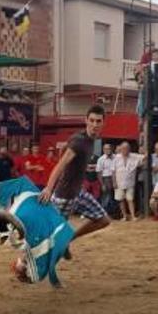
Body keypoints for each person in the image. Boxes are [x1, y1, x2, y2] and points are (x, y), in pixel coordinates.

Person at [39, 105, 111, 256]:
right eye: (92, 120)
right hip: (64, 196)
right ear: (86, 120)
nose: (95, 125)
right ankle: (23, 263)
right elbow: (60, 165)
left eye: (98, 121)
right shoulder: (79, 142)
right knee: (50, 237)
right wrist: (48, 188)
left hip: (78, 193)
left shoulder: (90, 141)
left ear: (103, 123)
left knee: (104, 220)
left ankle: (68, 239)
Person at [113, 142, 143, 221]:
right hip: (119, 181)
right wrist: (114, 182)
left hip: (130, 182)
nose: (125, 150)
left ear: (129, 149)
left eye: (127, 148)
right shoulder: (116, 157)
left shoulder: (134, 156)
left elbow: (144, 157)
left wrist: (143, 149)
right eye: (123, 148)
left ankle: (133, 216)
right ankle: (124, 216)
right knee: (121, 199)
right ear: (121, 149)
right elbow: (113, 171)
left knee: (130, 199)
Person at [95, 143, 116, 215]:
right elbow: (99, 172)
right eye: (105, 149)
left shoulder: (116, 157)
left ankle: (113, 213)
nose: (107, 150)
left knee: (114, 196)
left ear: (111, 149)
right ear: (103, 150)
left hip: (116, 178)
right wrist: (102, 184)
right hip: (105, 178)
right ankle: (104, 213)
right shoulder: (101, 159)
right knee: (106, 196)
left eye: (109, 149)